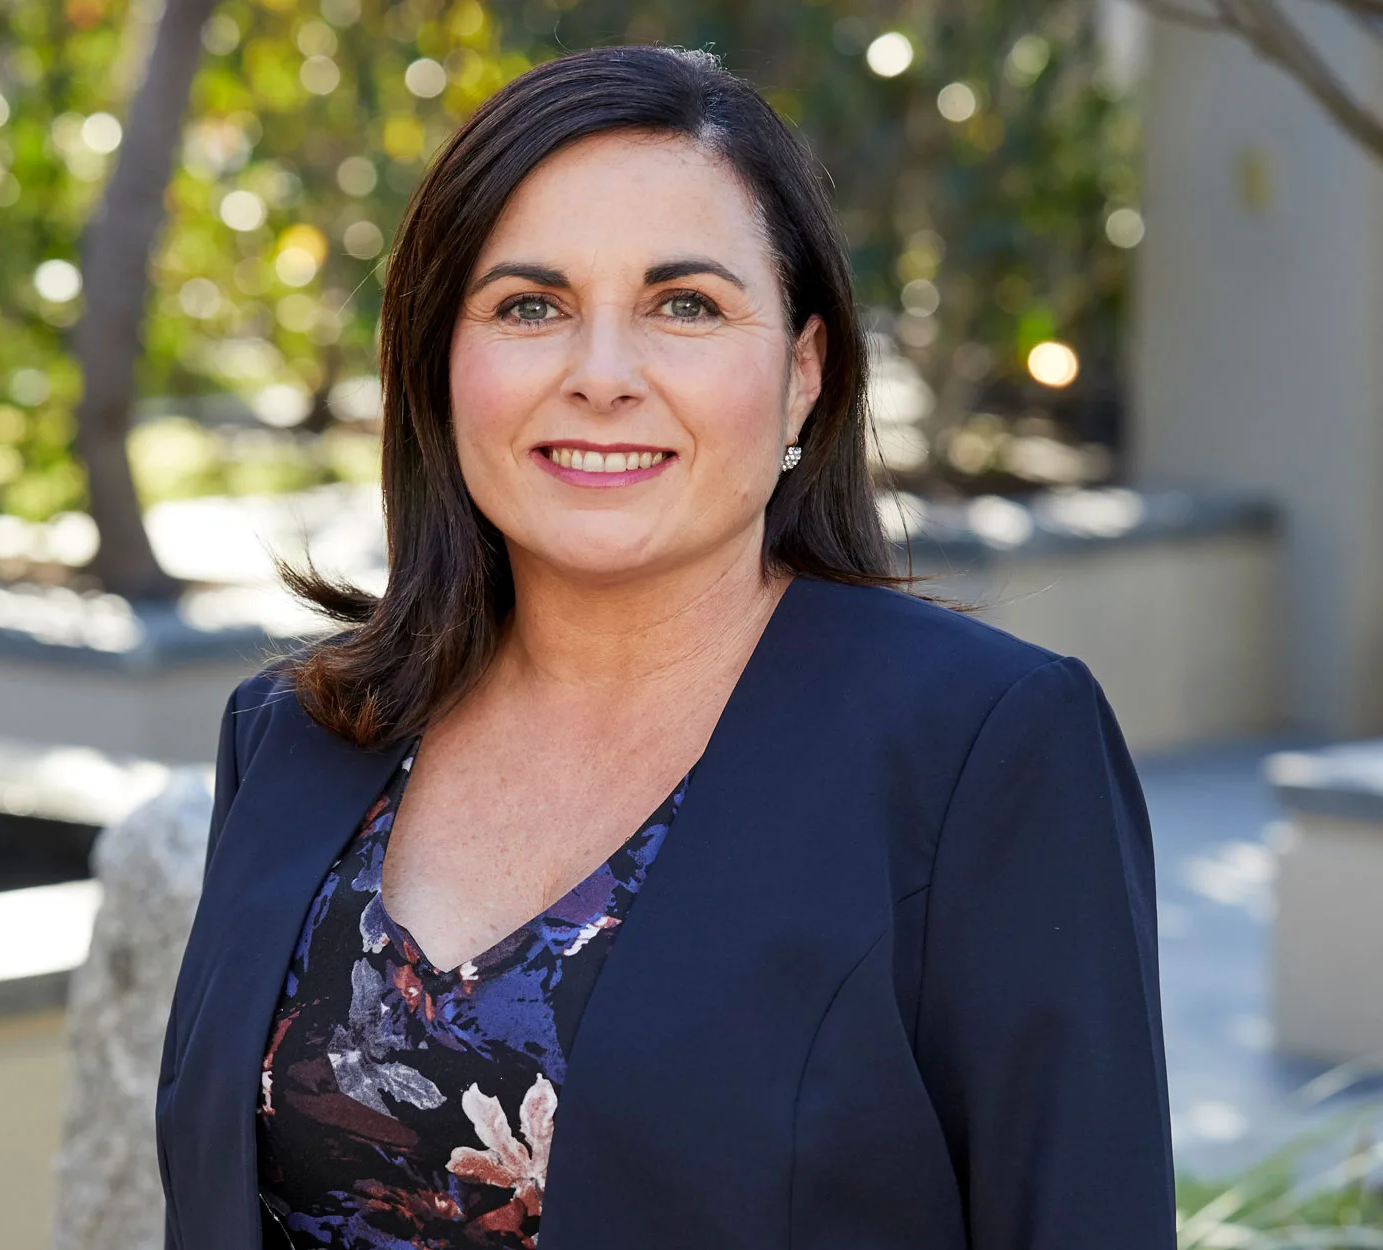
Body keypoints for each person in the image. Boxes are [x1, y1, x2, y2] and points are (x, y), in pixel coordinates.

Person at [157, 44, 1176, 1250]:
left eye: (684, 304)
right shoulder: (296, 735)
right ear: (438, 363)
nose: (602, 376)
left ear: (804, 372)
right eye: (530, 306)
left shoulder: (984, 751)